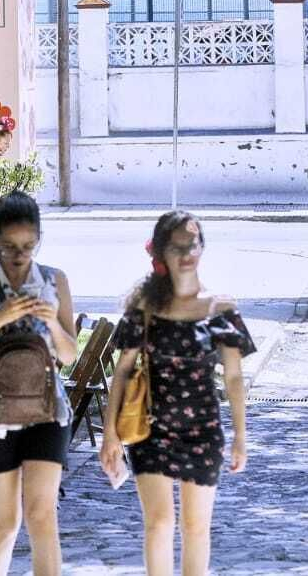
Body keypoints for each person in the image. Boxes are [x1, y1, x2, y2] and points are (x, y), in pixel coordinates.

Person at [100, 212, 253, 576]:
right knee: (158, 523)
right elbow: (122, 371)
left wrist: (241, 437)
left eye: (194, 244)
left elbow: (233, 378)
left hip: (204, 430)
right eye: (178, 246)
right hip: (151, 430)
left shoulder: (221, 307)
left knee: (196, 527)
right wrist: (109, 434)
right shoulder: (145, 306)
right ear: (161, 252)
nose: (187, 253)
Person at [0, 192, 78, 576]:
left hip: (45, 409)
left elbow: (69, 353)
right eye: (9, 247)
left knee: (42, 516)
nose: (20, 255)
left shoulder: (54, 280)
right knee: (6, 520)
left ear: (39, 238)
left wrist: (53, 321)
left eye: (28, 246)